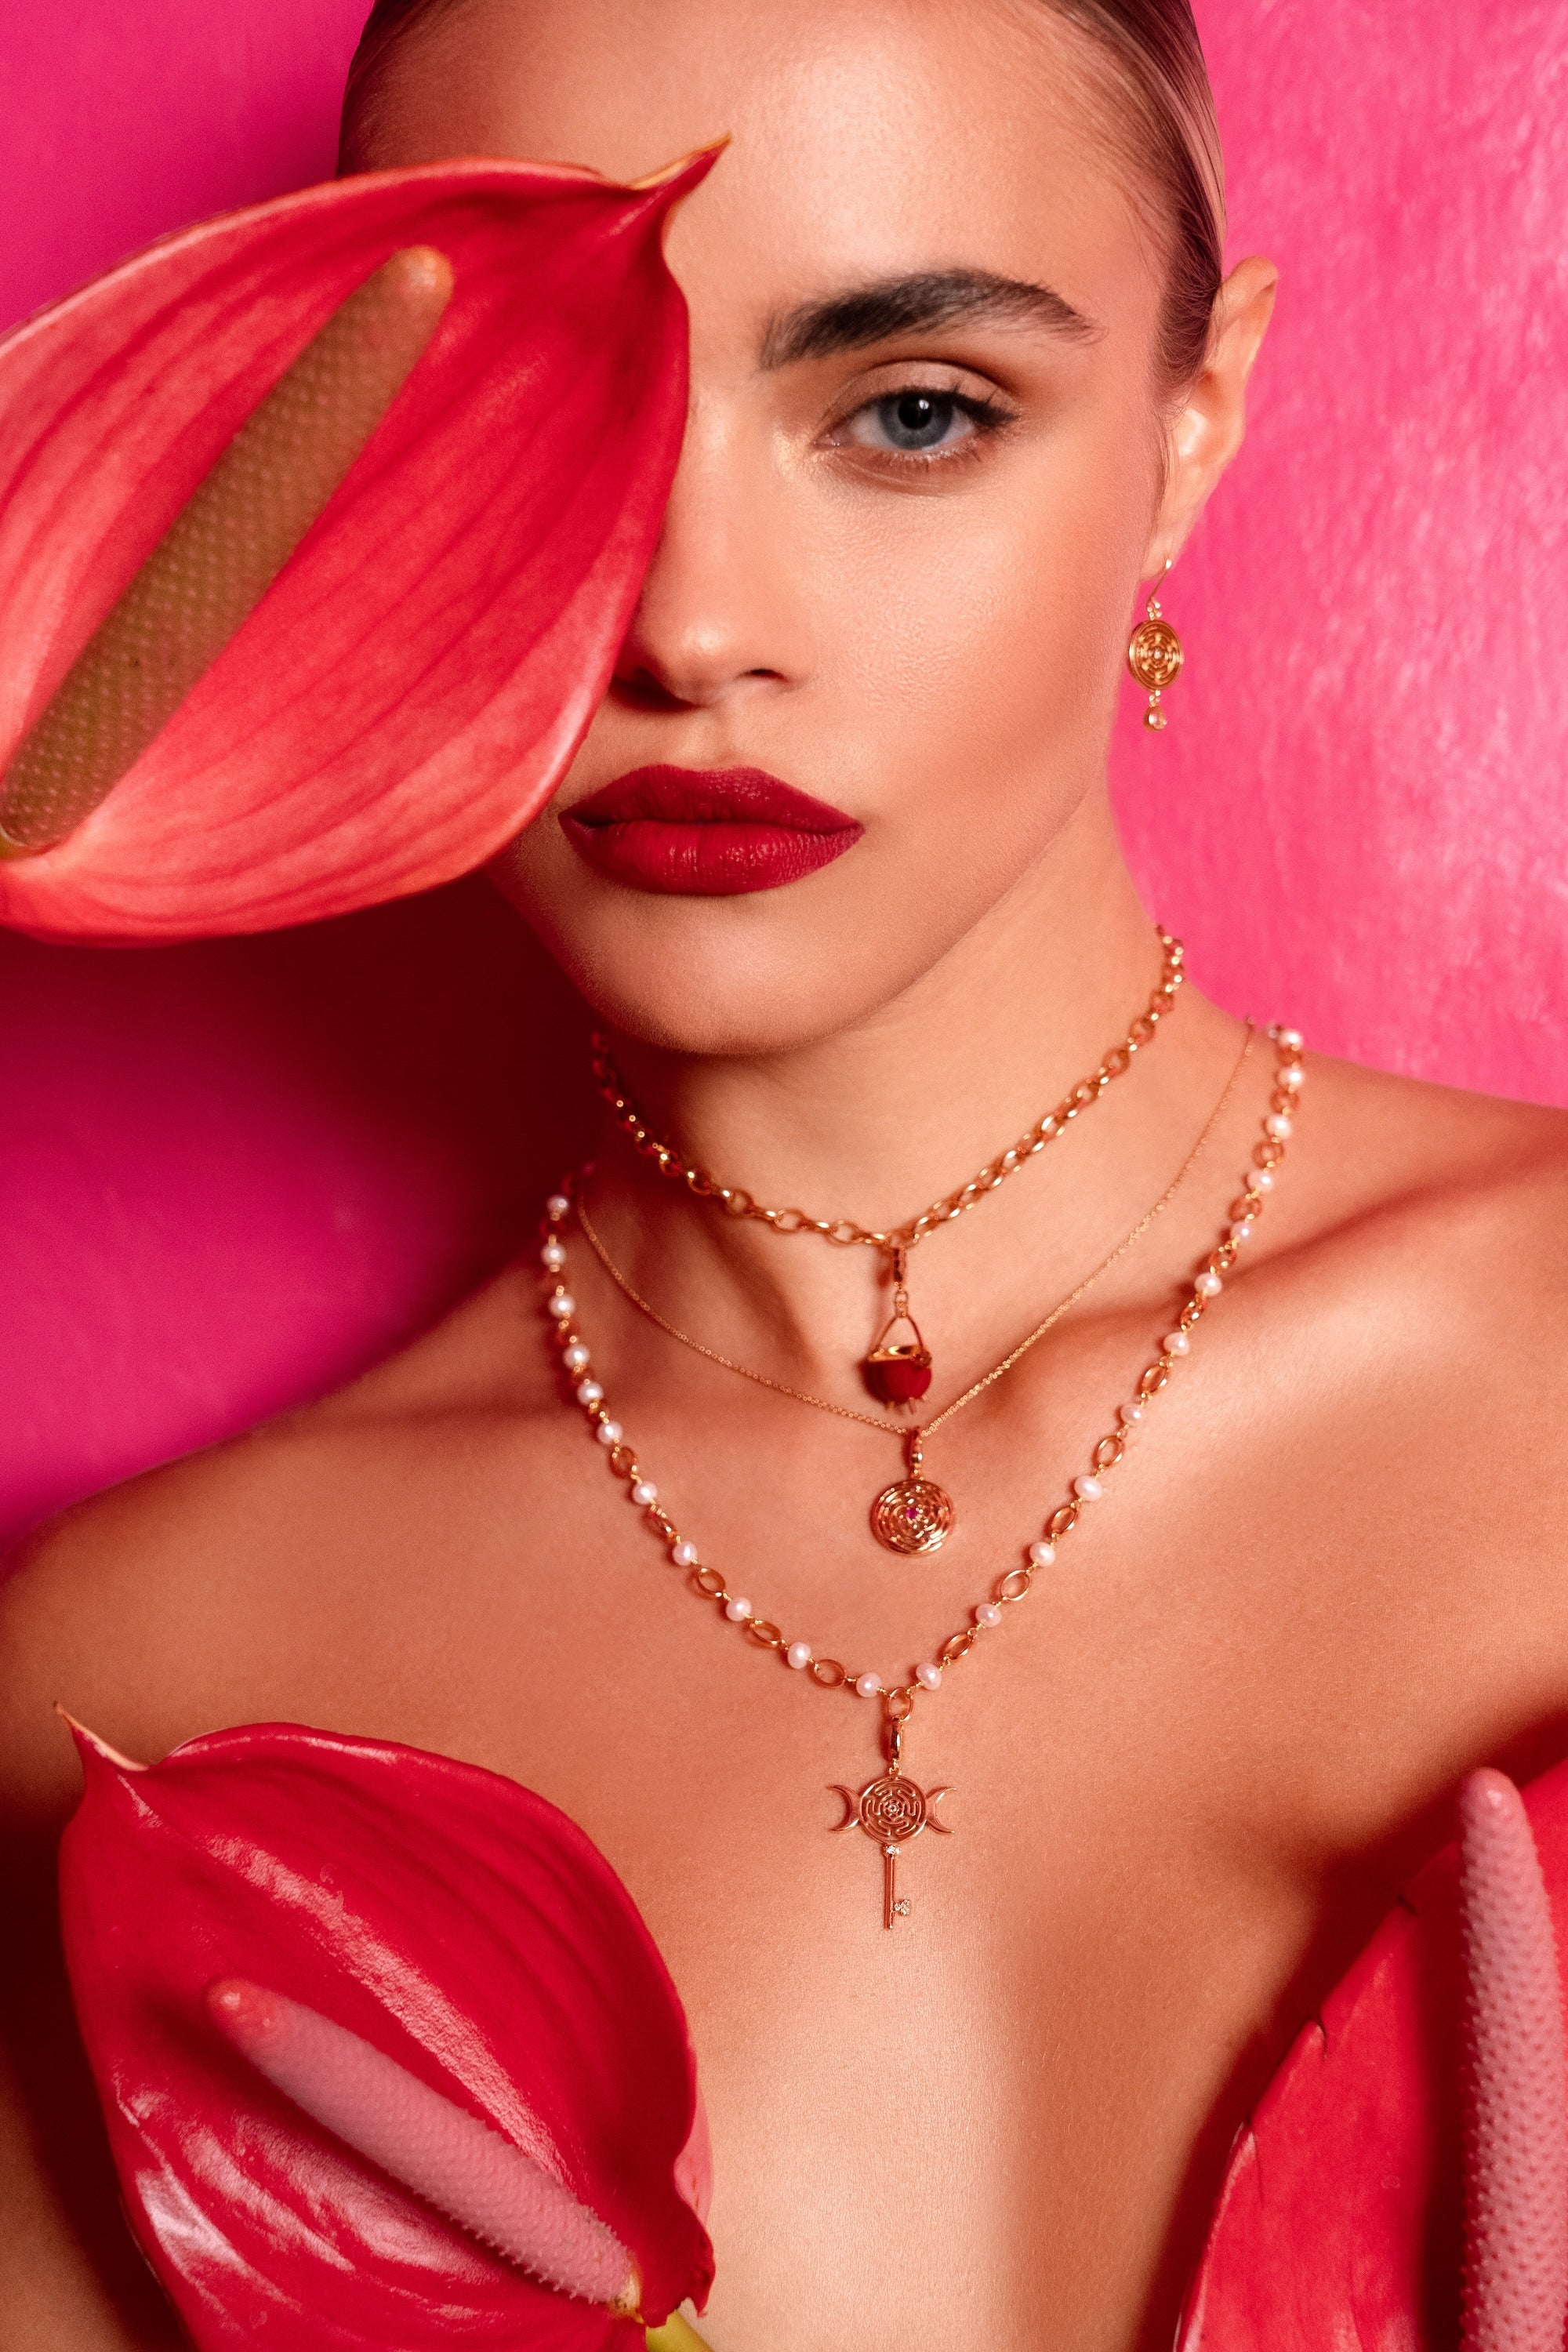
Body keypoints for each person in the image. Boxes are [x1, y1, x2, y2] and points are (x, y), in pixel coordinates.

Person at [2, 1, 1566, 2344]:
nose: (687, 628)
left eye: (912, 412)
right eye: (523, 425)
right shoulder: (153, 1687)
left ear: (1189, 428)